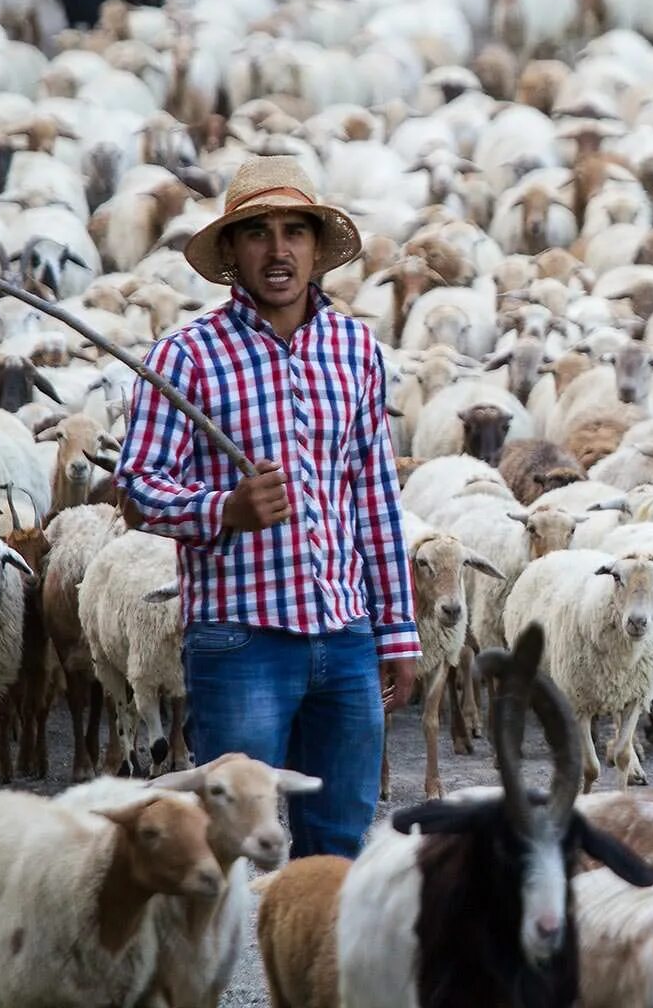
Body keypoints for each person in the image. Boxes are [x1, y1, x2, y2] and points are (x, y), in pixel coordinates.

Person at [114, 155, 417, 859]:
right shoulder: (187, 357)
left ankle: (314, 970)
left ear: (315, 249)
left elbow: (373, 494)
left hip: (344, 636)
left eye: (294, 232)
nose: (278, 251)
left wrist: (396, 631)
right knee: (232, 848)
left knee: (340, 847)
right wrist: (225, 509)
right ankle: (225, 972)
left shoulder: (355, 349)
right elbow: (136, 487)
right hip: (240, 642)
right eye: (257, 233)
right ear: (231, 252)